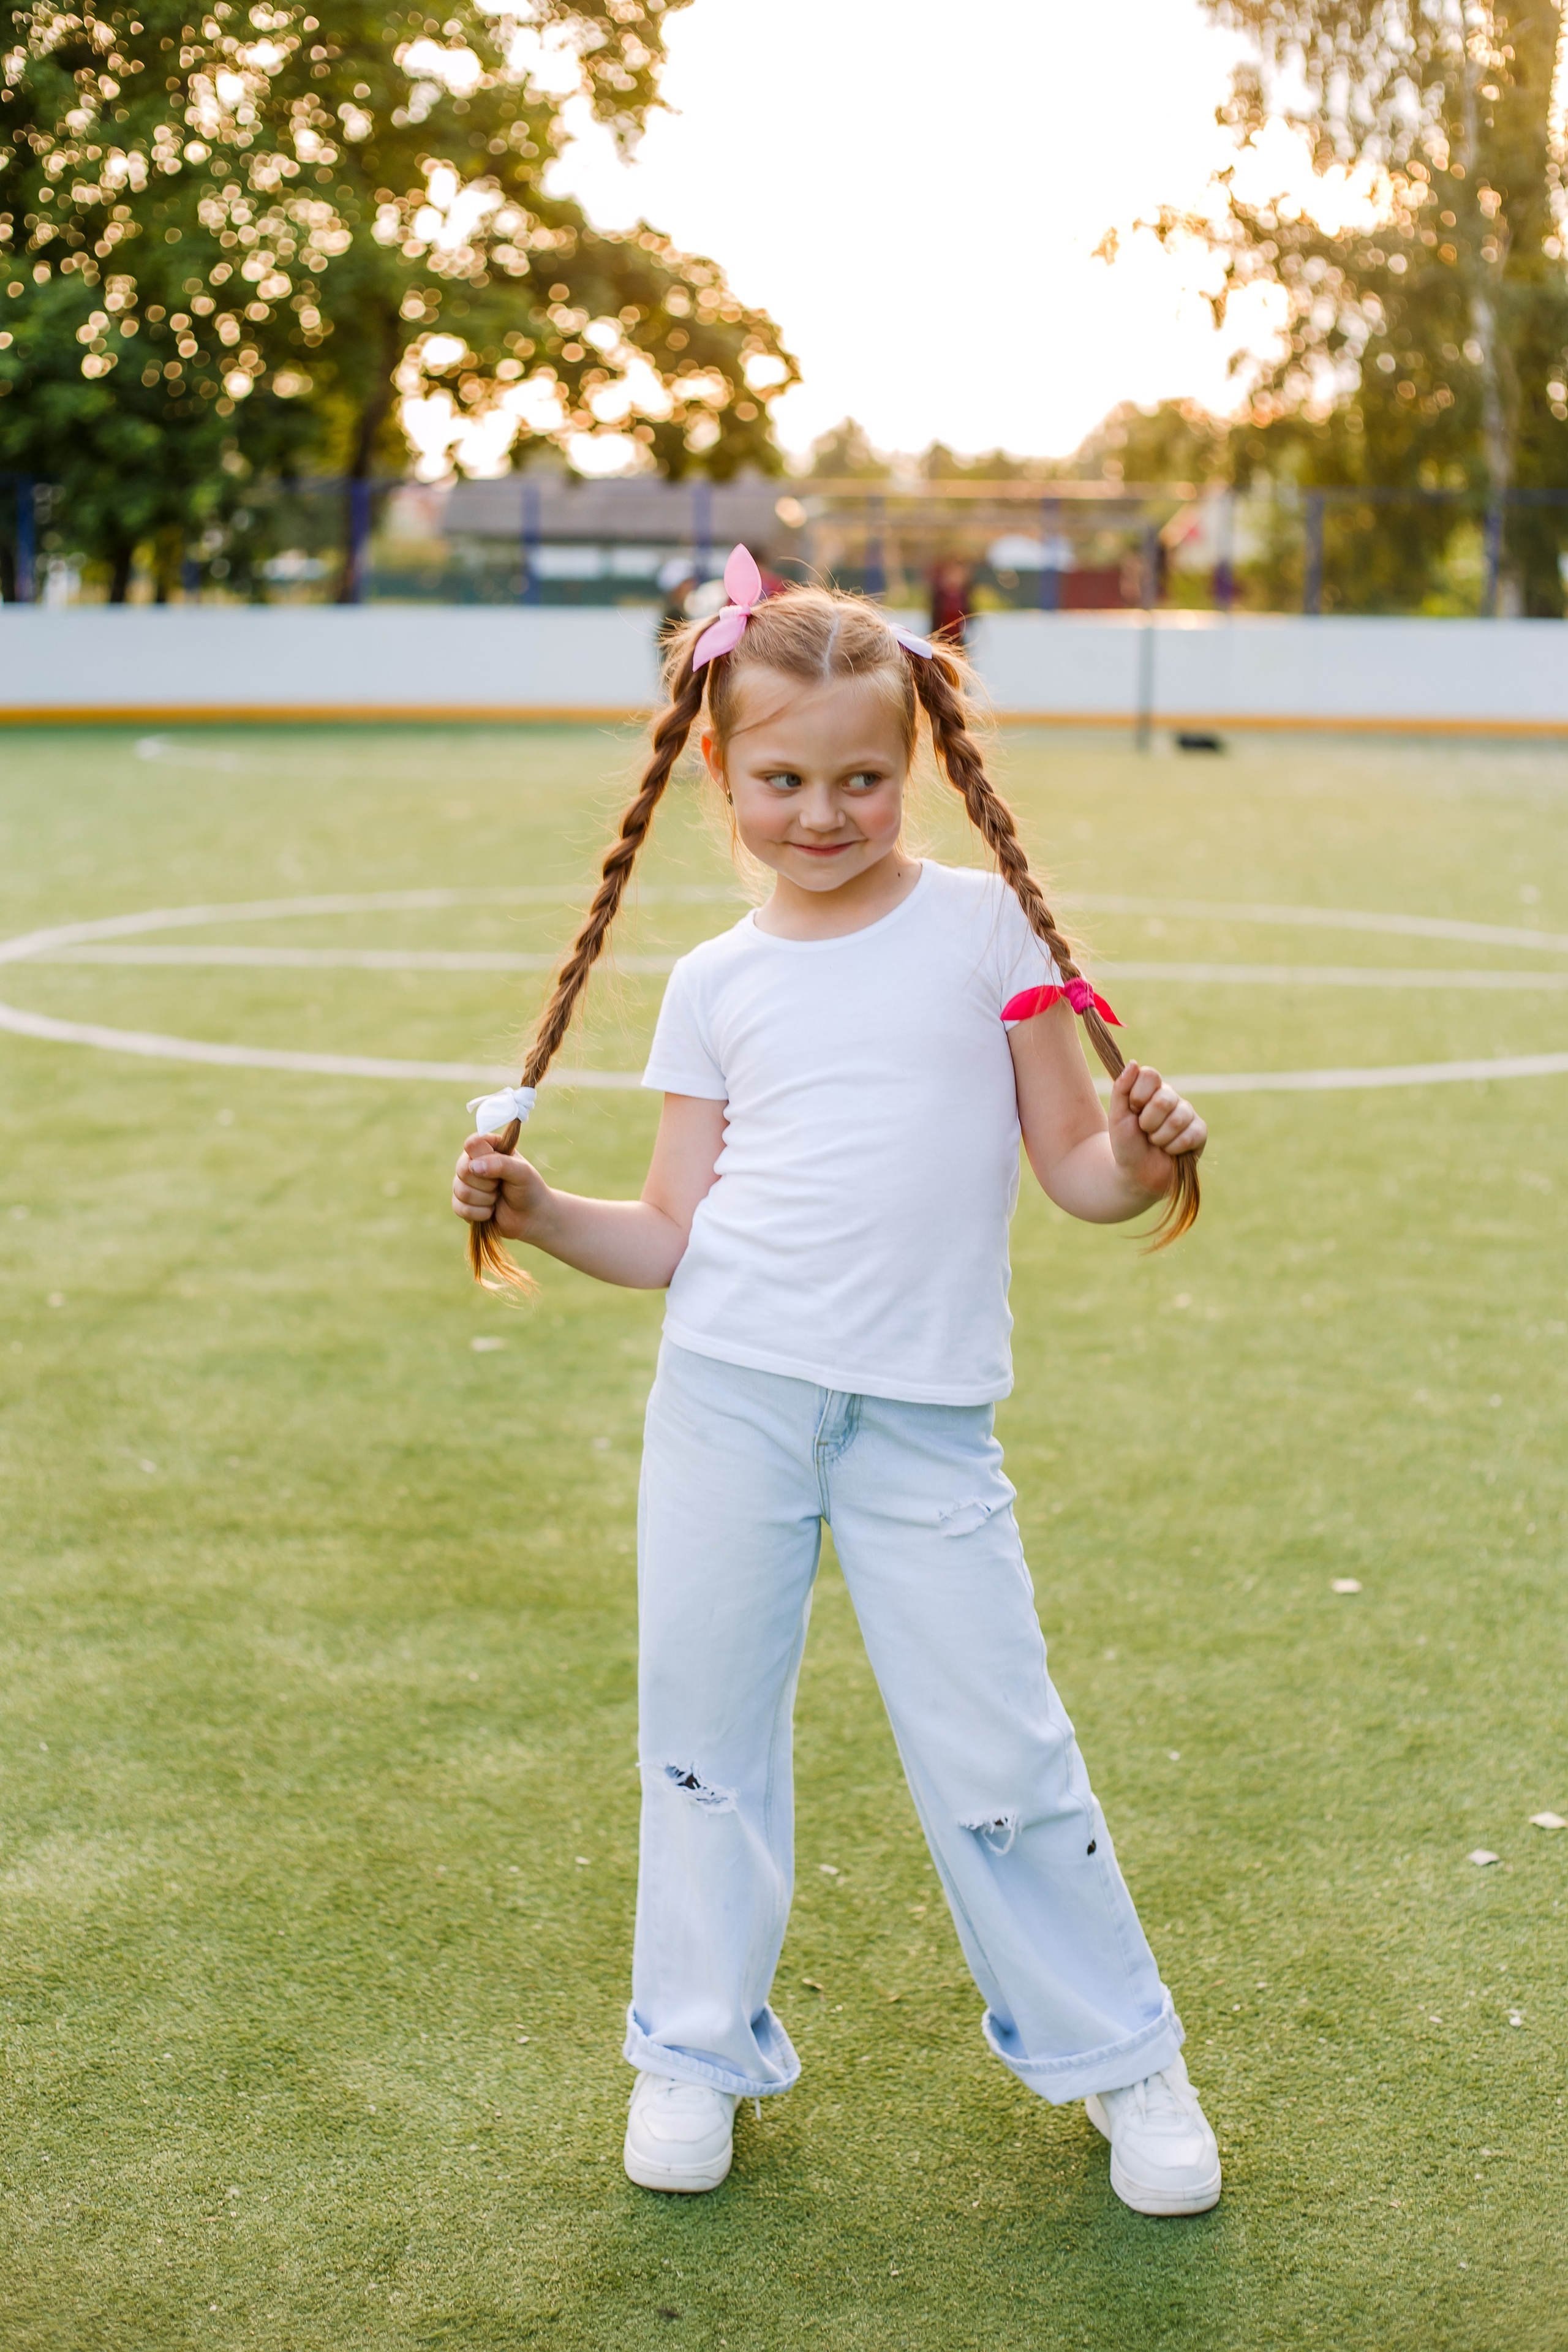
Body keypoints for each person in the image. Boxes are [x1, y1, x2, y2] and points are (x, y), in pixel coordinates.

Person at [451, 546, 1218, 2218]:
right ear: (720, 770)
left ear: (913, 762)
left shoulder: (984, 929)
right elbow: (668, 1234)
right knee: (703, 1743)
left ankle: (1119, 2051)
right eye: (785, 780)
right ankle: (691, 2047)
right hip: (728, 1398)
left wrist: (1148, 1156)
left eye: (862, 779)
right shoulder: (714, 981)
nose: (824, 813)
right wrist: (541, 1210)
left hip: (922, 1422)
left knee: (1002, 1750)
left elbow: (1077, 1174)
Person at [930, 555, 973, 645]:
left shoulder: (964, 596)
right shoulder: (939, 596)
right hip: (941, 640)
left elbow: (969, 619)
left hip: (959, 641)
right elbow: (935, 620)